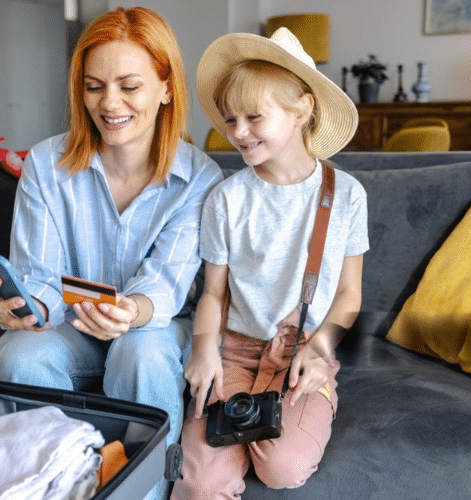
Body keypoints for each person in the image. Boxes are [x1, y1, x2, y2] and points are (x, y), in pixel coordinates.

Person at [0, 6, 222, 500]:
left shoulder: (199, 178)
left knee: (141, 351)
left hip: (156, 323)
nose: (108, 103)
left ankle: (146, 492)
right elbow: (41, 278)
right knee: (18, 355)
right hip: (74, 326)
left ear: (166, 88)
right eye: (94, 87)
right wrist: (22, 306)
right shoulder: (46, 165)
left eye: (128, 86)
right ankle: (49, 486)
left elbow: (167, 284)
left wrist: (131, 312)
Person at [171, 28, 369, 499]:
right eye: (229, 119)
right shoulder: (226, 198)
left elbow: (349, 294)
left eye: (254, 117)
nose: (237, 132)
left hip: (304, 354)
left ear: (303, 109)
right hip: (233, 352)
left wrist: (321, 350)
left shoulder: (347, 195)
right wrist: (202, 349)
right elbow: (213, 293)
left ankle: (312, 408)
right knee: (199, 483)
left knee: (283, 467)